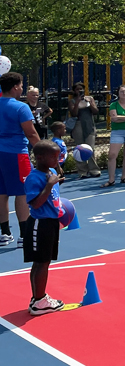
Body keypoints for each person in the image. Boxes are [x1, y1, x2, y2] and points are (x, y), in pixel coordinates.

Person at [22, 140, 66, 315]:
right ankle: (39, 301)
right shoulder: (34, 178)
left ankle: (37, 298)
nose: (57, 159)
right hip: (40, 223)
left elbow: (53, 191)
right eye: (53, 157)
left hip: (51, 222)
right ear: (39, 158)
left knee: (44, 261)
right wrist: (49, 185)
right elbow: (36, 203)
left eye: (58, 156)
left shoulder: (52, 171)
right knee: (40, 263)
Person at [0, 72, 41, 249]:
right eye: (22, 85)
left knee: (2, 193)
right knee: (22, 193)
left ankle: (4, 233)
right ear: (15, 87)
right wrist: (43, 153)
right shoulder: (20, 107)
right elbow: (31, 133)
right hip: (16, 153)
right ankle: (24, 235)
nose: (22, 88)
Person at [105, 85, 125, 187]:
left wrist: (120, 117)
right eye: (122, 92)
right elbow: (114, 119)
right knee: (112, 155)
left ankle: (124, 177)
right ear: (118, 93)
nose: (124, 93)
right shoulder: (113, 105)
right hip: (117, 131)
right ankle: (111, 179)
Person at [68, 82, 100, 178]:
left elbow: (96, 111)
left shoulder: (89, 99)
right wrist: (77, 102)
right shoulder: (72, 101)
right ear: (74, 91)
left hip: (89, 125)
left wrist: (90, 104)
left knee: (90, 148)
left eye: (81, 89)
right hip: (78, 125)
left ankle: (94, 169)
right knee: (80, 148)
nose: (79, 91)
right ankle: (82, 171)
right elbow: (74, 113)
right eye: (77, 89)